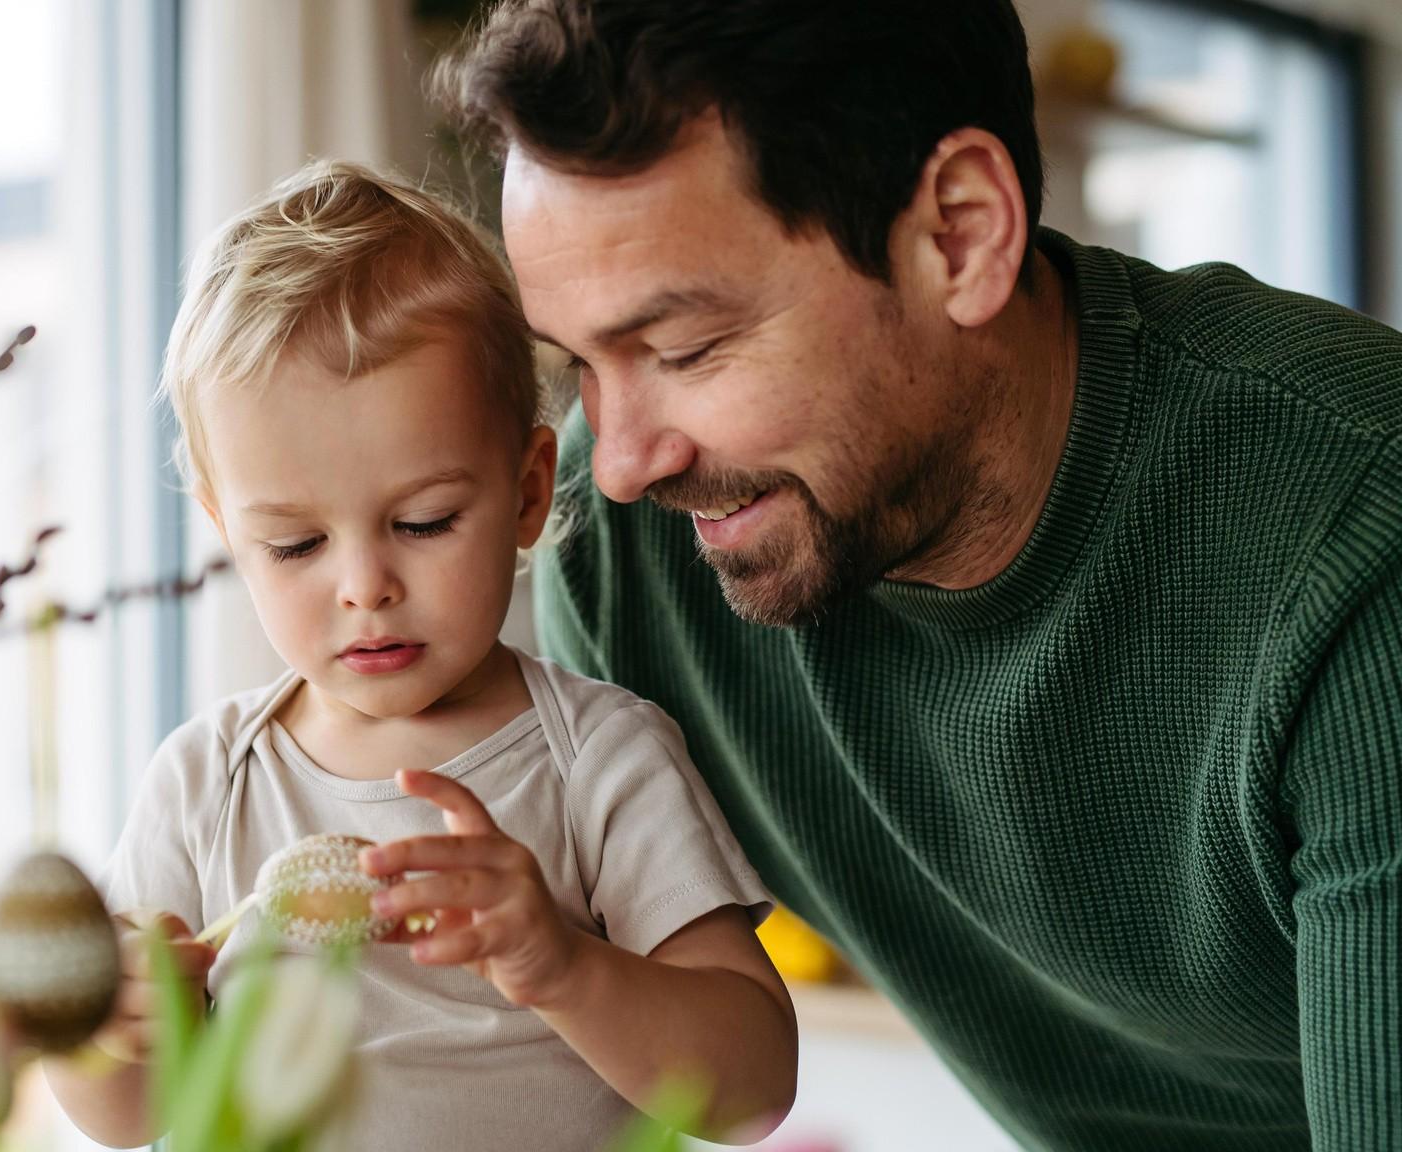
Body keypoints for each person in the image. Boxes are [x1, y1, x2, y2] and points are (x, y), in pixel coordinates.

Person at [435, 1, 1402, 1149]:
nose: (625, 462)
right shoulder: (624, 555)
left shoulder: (1359, 537)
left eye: (685, 349)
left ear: (961, 235)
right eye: (581, 365)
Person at [43, 160, 797, 1150]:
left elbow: (752, 1089)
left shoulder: (601, 762)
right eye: (296, 545)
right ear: (229, 532)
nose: (365, 586)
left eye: (425, 521)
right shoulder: (205, 786)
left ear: (528, 492)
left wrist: (563, 967)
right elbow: (123, 1118)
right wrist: (114, 1031)